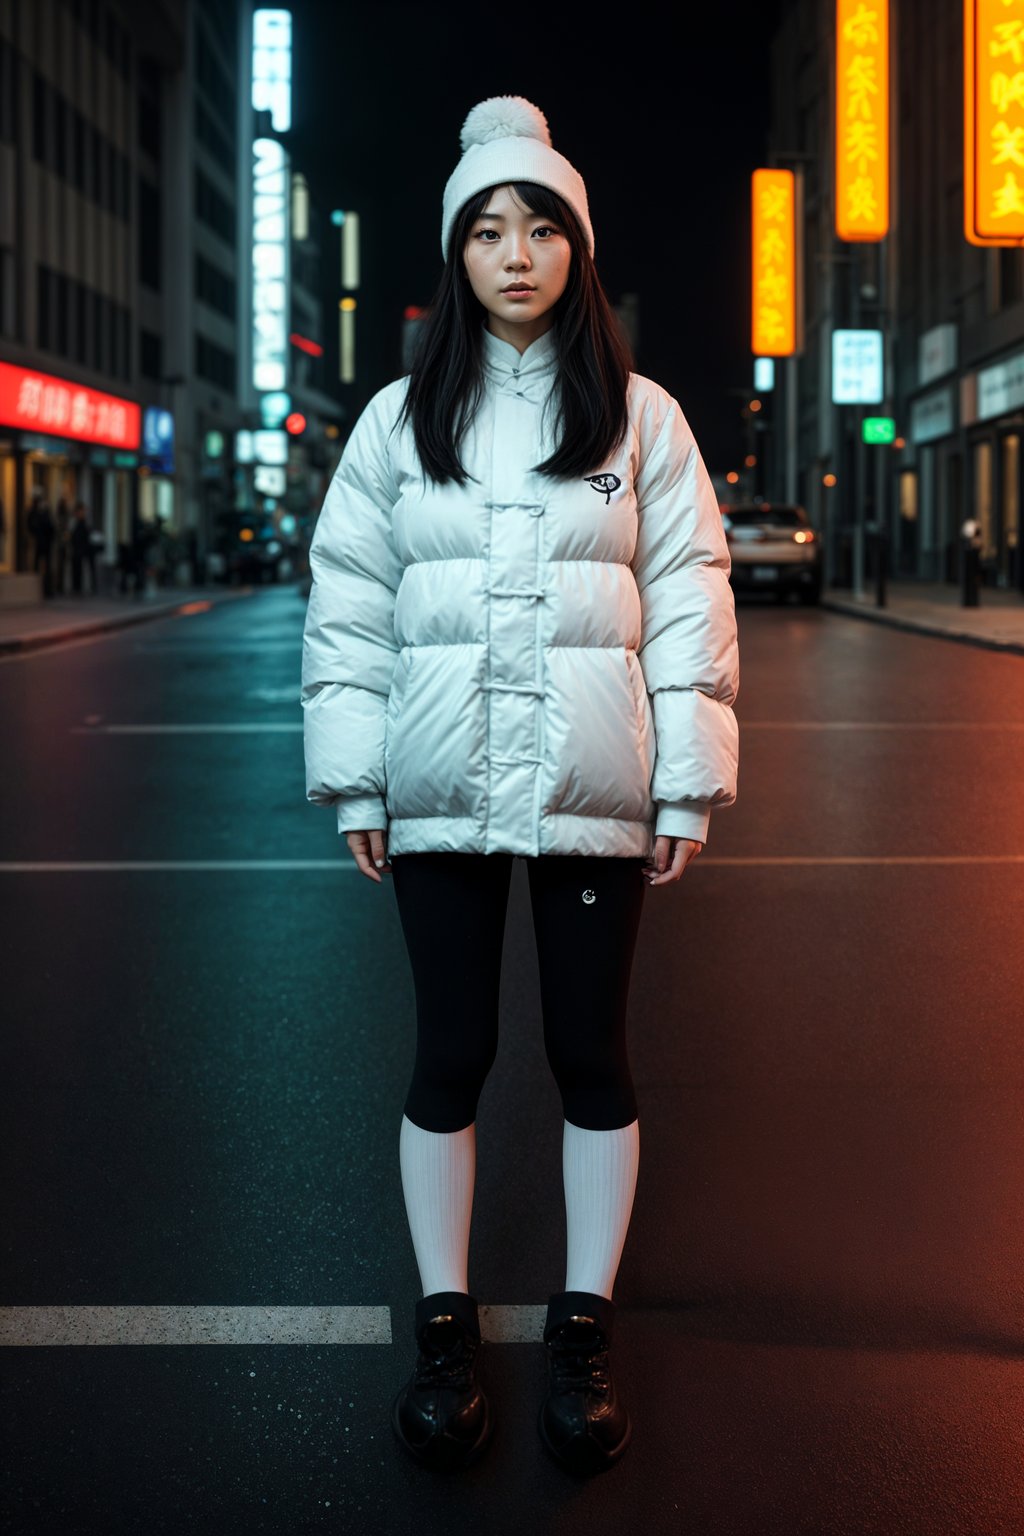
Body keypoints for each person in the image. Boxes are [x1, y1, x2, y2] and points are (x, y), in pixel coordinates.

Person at [300, 95, 740, 1478]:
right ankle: (444, 1331)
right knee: (449, 1058)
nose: (513, 253)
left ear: (576, 251)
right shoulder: (395, 420)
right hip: (435, 790)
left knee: (591, 1057)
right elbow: (349, 607)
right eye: (486, 229)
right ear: (455, 254)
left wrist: (687, 787)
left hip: (593, 788)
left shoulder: (643, 418)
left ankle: (581, 1331)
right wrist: (355, 778)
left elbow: (687, 603)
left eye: (539, 228)